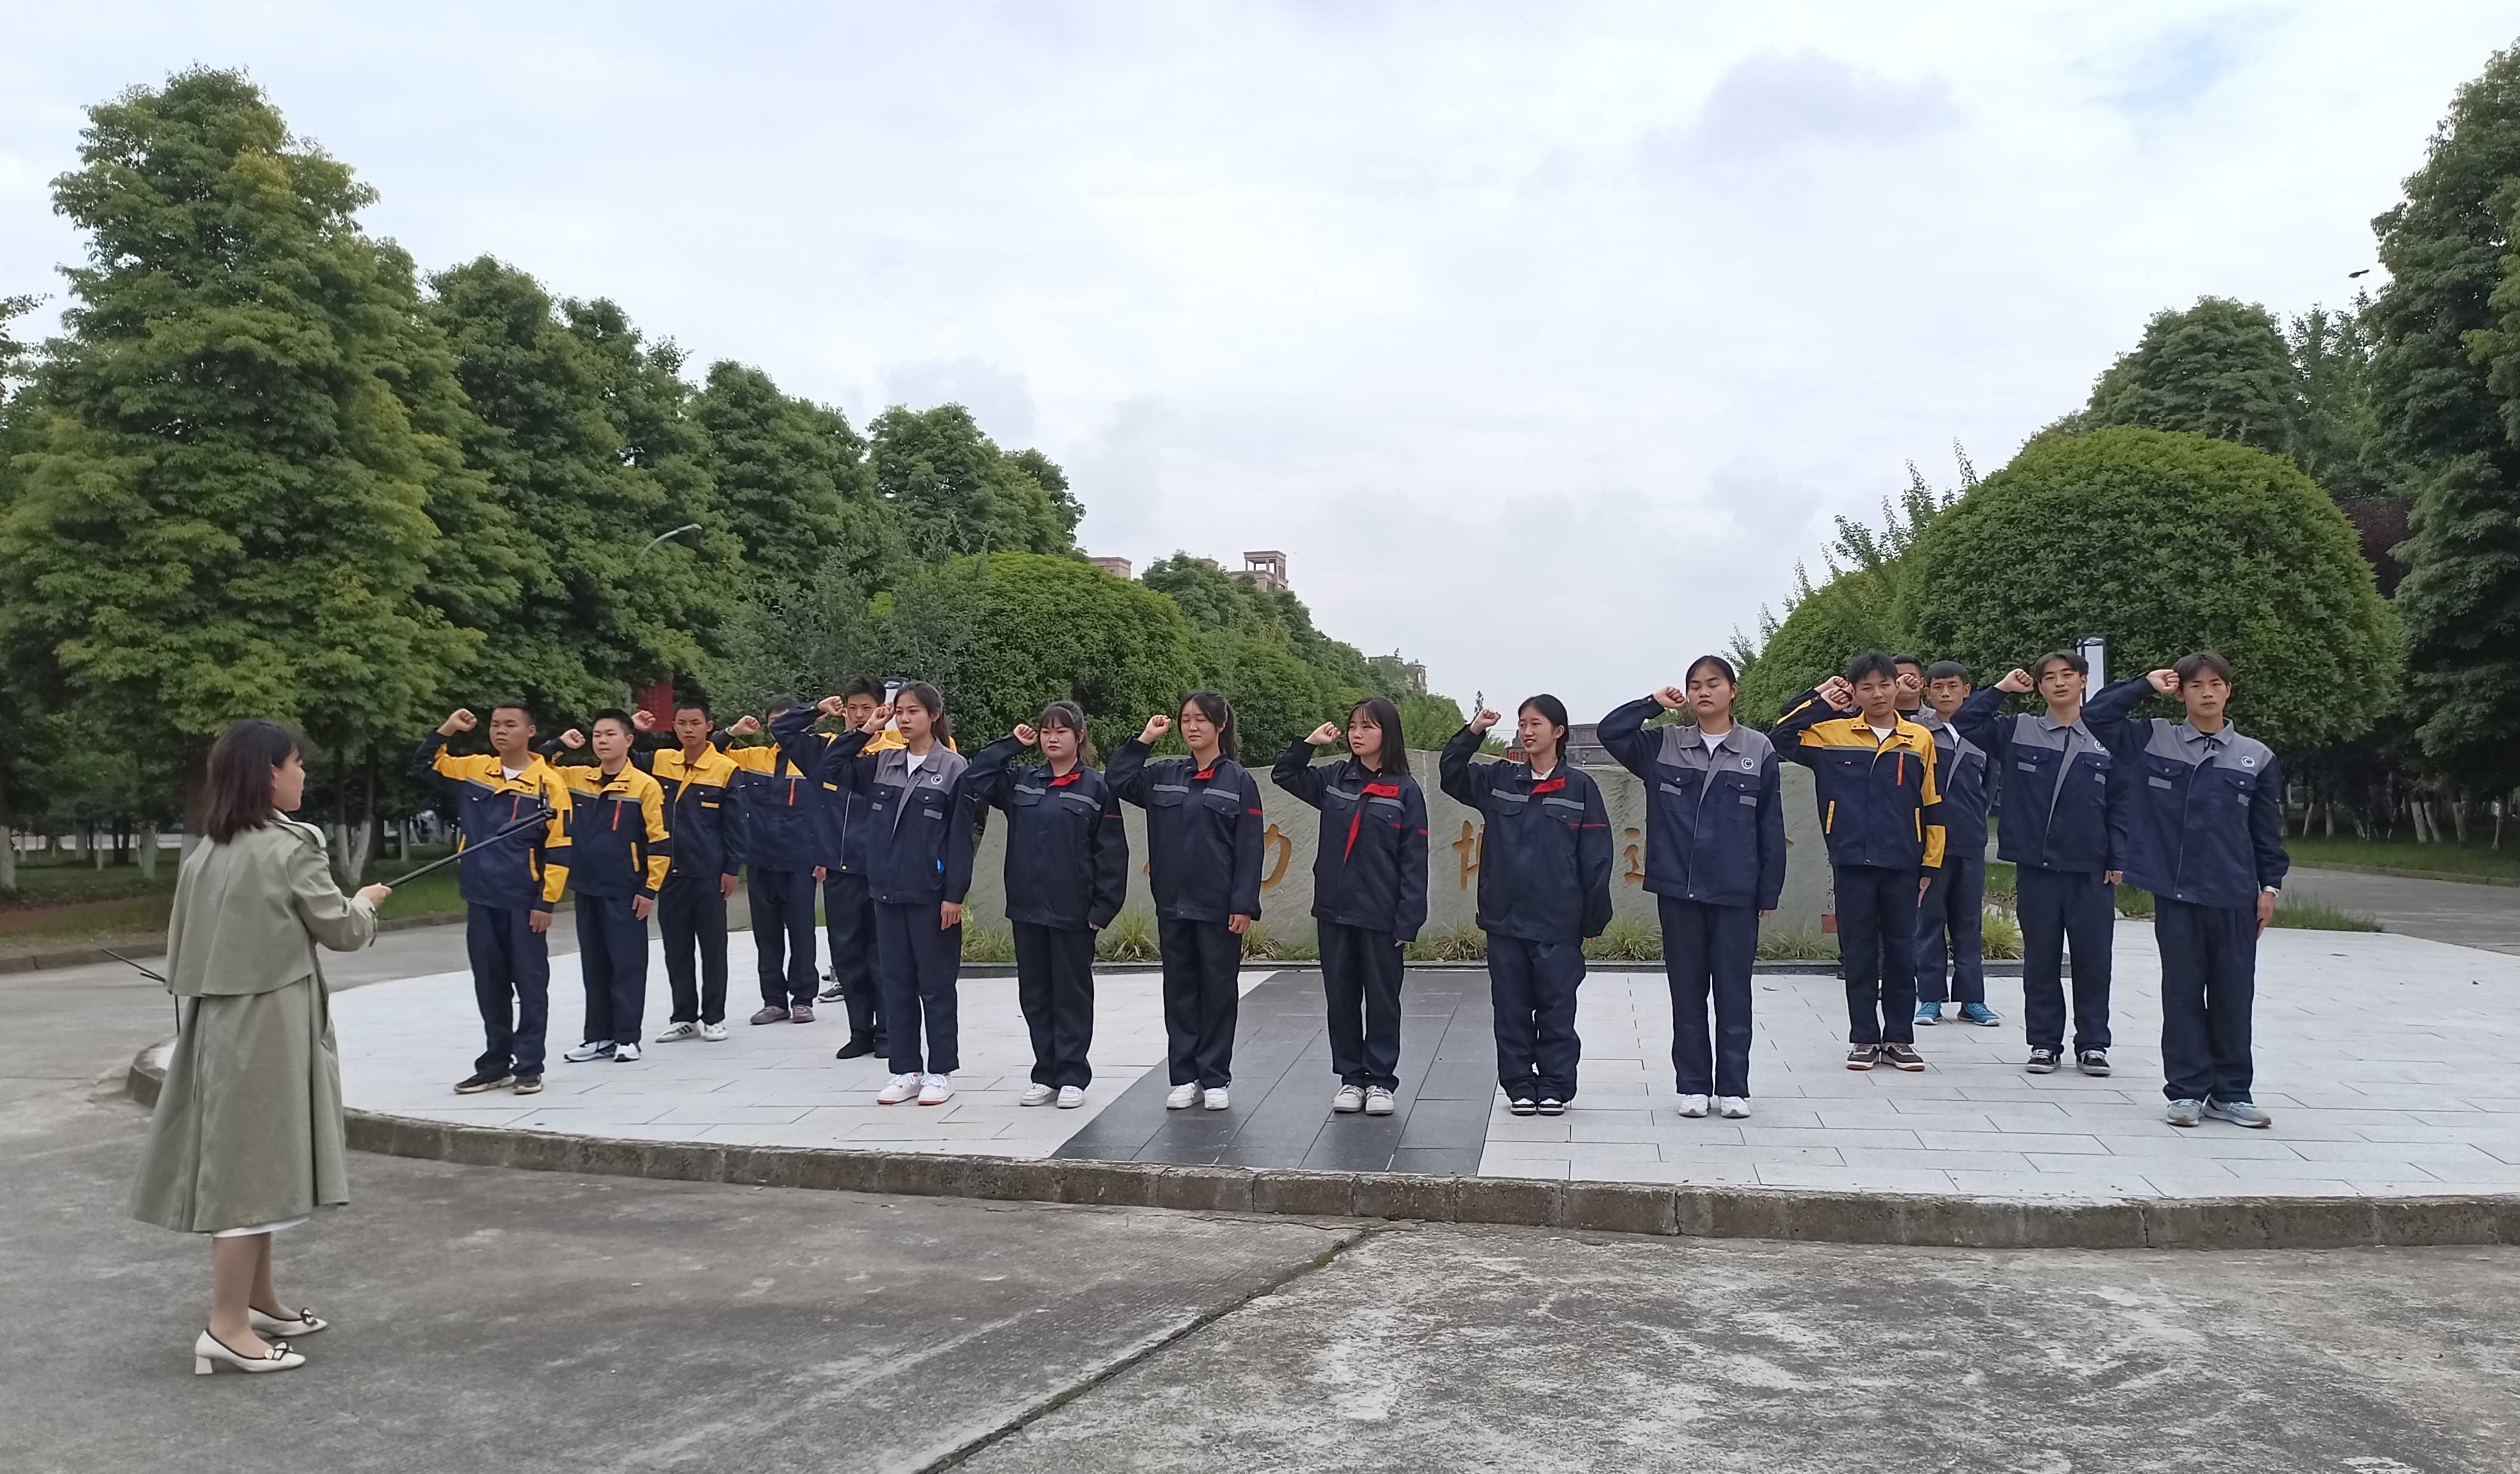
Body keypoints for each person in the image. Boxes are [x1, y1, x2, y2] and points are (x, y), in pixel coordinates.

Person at [131, 719, 392, 1375]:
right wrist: (366, 902)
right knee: (249, 1172)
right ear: (268, 772)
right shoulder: (292, 845)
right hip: (269, 1024)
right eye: (296, 762)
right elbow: (340, 930)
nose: (303, 773)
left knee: (257, 1160)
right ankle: (226, 1327)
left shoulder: (207, 852)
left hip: (216, 1023)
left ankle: (259, 1300)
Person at [2083, 654, 2288, 1129]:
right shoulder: (2154, 740)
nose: (2207, 693)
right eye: (2196, 686)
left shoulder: (2256, 757)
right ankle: (2187, 1091)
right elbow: (2097, 715)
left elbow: (2266, 832)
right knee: (2181, 995)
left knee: (2234, 996)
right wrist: (2144, 684)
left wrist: (2270, 887)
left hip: (2234, 893)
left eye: (2216, 684)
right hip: (2176, 894)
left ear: (2229, 691)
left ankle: (2232, 1093)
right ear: (2180, 694)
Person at [1600, 656, 1787, 1117]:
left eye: (1714, 683)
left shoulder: (1758, 748)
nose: (1704, 691)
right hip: (1679, 890)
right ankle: (1694, 1086)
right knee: (1687, 993)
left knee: (1734, 992)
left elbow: (1770, 826)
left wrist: (1767, 892)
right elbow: (1611, 733)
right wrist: (1652, 704)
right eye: (1695, 685)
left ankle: (1734, 1088)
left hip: (1735, 892)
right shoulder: (1665, 744)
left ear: (1732, 691)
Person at [777, 682, 975, 1105]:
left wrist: (954, 895)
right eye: (899, 711)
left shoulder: (954, 767)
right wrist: (867, 729)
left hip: (930, 894)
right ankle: (906, 1070)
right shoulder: (883, 761)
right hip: (885, 891)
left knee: (936, 986)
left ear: (934, 715)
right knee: (896, 983)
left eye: (913, 711)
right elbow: (831, 767)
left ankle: (940, 1071)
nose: (905, 719)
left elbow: (960, 838)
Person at [1955, 651, 2128, 1075]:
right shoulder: (2019, 730)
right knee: (2041, 960)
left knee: (2093, 960)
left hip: (2091, 869)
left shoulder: (2107, 735)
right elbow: (1964, 722)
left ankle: (2093, 1044)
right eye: (2049, 677)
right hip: (2037, 866)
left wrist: (2118, 855)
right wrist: (2001, 688)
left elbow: (2122, 802)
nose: (2059, 683)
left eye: (2068, 675)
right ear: (2040, 686)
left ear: (2084, 681)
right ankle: (2044, 1043)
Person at [1442, 695, 1614, 1117]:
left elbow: (1596, 857)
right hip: (1505, 920)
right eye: (1522, 724)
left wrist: (1592, 920)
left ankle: (1555, 1084)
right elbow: (1451, 774)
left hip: (1558, 922)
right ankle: (1519, 1084)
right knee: (1511, 1009)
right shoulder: (1500, 779)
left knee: (1557, 1008)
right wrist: (1474, 730)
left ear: (1558, 731)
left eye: (1536, 723)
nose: (1527, 731)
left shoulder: (1580, 788)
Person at [1774, 653, 1946, 1072]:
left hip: (1904, 863)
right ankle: (1865, 1038)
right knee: (1859, 952)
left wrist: (1930, 864)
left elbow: (1934, 803)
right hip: (1851, 860)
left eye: (1885, 684)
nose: (1878, 694)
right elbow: (1781, 735)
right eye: (1866, 687)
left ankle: (1900, 1038)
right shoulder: (1831, 735)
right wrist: (1821, 698)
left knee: (1903, 952)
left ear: (1898, 687)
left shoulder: (1919, 739)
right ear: (1854, 692)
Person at [964, 702, 1130, 1107]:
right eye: (1046, 731)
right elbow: (976, 777)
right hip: (1028, 907)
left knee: (1071, 995)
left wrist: (1101, 911)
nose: (1052, 738)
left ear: (1079, 737)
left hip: (1074, 912)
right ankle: (1045, 1073)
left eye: (1061, 731)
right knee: (1035, 994)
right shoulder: (1022, 781)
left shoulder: (1096, 788)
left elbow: (1111, 853)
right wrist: (1011, 744)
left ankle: (1072, 1074)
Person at [1107, 693, 1265, 1111]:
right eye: (1186, 720)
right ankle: (1184, 1077)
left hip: (1218, 907)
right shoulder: (1163, 774)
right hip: (1173, 903)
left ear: (1220, 726)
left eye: (1201, 720)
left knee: (1218, 991)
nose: (1192, 727)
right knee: (1179, 990)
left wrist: (1243, 904)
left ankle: (1214, 1077)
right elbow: (1117, 779)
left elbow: (1250, 848)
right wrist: (1145, 739)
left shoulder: (1238, 781)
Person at [1275, 698, 1431, 1117]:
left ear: (1387, 733)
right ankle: (1351, 1078)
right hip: (1336, 911)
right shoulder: (1333, 779)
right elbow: (1285, 774)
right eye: (1353, 726)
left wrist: (1408, 920)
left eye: (1368, 727)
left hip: (1382, 915)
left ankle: (1380, 1081)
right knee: (1341, 998)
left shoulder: (1405, 790)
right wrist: (1310, 743)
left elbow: (1415, 861)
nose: (1357, 734)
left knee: (1382, 1000)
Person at [413, 702, 572, 1096]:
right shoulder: (474, 770)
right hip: (481, 898)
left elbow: (559, 849)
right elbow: (424, 765)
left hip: (524, 901)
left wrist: (546, 902)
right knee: (490, 985)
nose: (500, 731)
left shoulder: (548, 784)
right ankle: (495, 1065)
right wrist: (448, 728)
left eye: (510, 725)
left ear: (530, 732)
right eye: (496, 725)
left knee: (531, 986)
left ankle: (529, 1066)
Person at [543, 710, 672, 1064]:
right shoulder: (577, 778)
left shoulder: (645, 786)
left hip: (626, 889)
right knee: (594, 965)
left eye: (610, 734)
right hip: (587, 886)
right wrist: (559, 744)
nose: (602, 740)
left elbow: (659, 842)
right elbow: (535, 767)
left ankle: (628, 1038)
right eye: (597, 734)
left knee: (627, 964)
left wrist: (649, 890)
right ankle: (597, 1037)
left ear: (628, 740)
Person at [621, 702, 742, 1043]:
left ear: (709, 726)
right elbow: (622, 760)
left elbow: (735, 824)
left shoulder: (726, 768)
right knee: (676, 948)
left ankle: (714, 1017)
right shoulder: (662, 760)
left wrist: (732, 868)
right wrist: (633, 728)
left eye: (695, 723)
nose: (688, 729)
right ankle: (683, 1016)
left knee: (713, 948)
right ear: (673, 726)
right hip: (670, 872)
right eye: (682, 723)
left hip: (708, 871)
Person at [719, 698, 824, 1025]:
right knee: (766, 936)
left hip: (801, 860)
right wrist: (732, 732)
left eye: (787, 720)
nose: (780, 727)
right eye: (774, 722)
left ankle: (803, 999)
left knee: (802, 933)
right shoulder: (753, 757)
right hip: (761, 859)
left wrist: (824, 854)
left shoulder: (816, 756)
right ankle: (774, 1001)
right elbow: (709, 754)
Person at [1912, 660, 1999, 1029]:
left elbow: (1989, 789)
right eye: (1938, 687)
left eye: (1953, 686)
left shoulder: (1983, 735)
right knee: (1928, 922)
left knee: (1968, 923)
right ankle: (1930, 998)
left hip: (1970, 841)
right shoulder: (1919, 732)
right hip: (1930, 845)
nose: (1946, 693)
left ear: (1967, 690)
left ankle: (1972, 1000)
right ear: (1927, 691)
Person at [809, 677, 890, 1059]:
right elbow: (785, 730)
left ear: (882, 709)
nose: (860, 715)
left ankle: (888, 1032)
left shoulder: (896, 752)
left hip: (881, 870)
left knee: (882, 955)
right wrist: (818, 712)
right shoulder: (835, 750)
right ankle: (860, 1031)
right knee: (847, 954)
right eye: (853, 708)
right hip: (840, 871)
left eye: (867, 708)